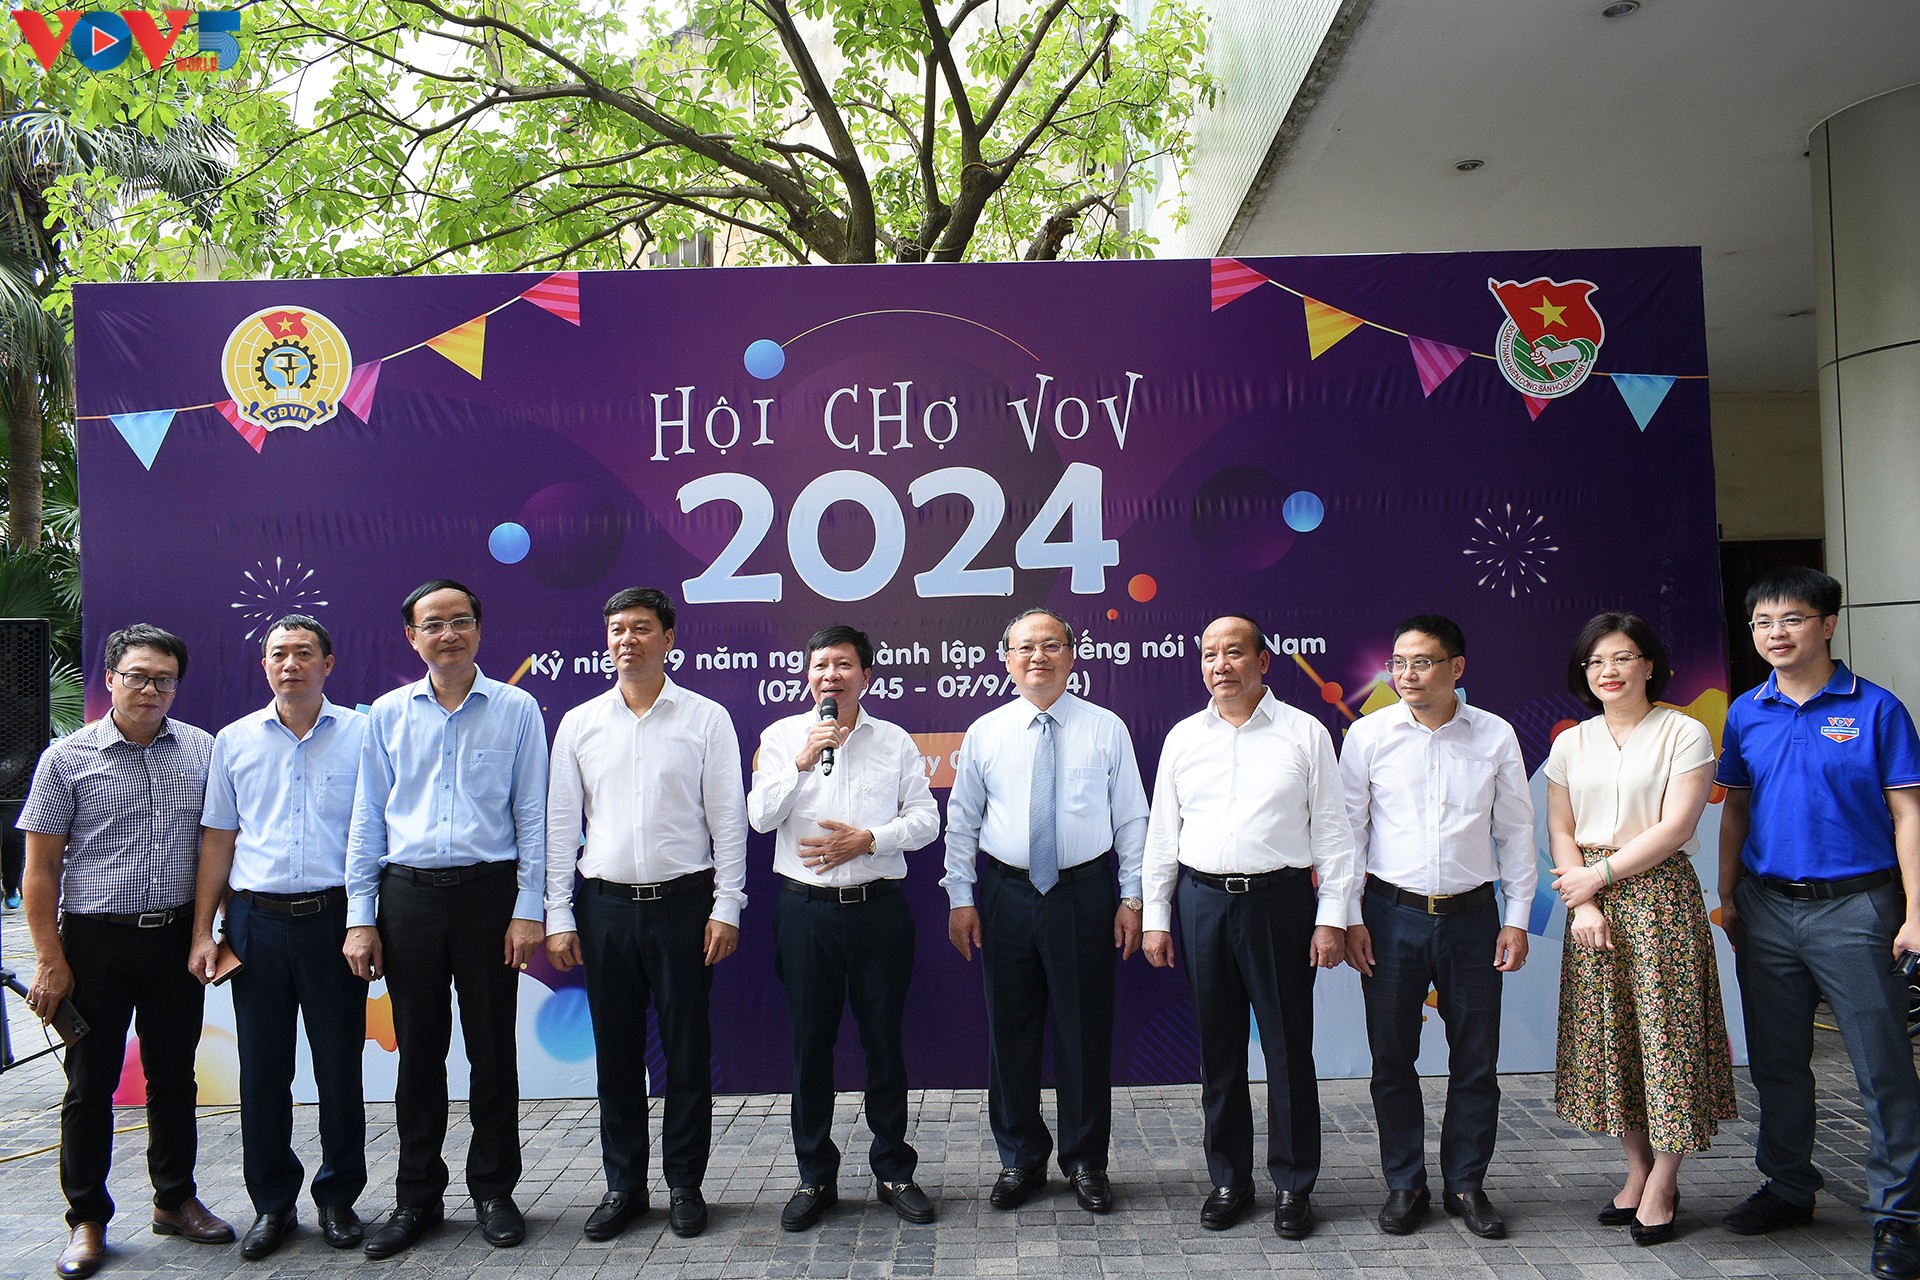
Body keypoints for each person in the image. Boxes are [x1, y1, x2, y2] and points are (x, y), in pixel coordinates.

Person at [1715, 567, 1920, 1280]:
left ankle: (1899, 1216)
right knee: (1776, 1061)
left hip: (1858, 907)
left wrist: (1916, 912)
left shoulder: (1877, 708)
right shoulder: (1747, 712)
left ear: (1827, 624)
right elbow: (1736, 807)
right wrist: (1728, 893)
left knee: (1882, 1067)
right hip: (1767, 907)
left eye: (1793, 619)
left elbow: (1908, 813)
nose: (1776, 633)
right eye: (1763, 622)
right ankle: (1788, 1186)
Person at [16, 624, 234, 1279]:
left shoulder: (203, 751)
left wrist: (209, 931)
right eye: (138, 676)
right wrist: (50, 958)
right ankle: (87, 1217)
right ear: (109, 679)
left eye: (164, 679)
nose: (151, 689)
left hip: (175, 938)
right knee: (90, 1085)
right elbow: (39, 871)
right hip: (94, 945)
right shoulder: (66, 758)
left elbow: (219, 847)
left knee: (174, 1077)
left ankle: (175, 1199)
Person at [343, 579, 548, 1259]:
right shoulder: (387, 714)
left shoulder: (517, 708)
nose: (448, 634)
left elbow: (532, 814)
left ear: (479, 630)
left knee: (492, 1051)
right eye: (433, 624)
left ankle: (494, 1191)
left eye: (460, 621)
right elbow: (368, 818)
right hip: (409, 898)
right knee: (419, 1054)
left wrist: (527, 909)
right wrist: (361, 917)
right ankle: (417, 1198)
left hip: (490, 897)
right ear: (413, 637)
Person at [544, 588, 747, 1241]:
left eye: (640, 628)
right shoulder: (580, 723)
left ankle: (685, 1184)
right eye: (616, 630)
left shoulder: (706, 719)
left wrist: (727, 904)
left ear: (668, 638)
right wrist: (558, 913)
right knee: (616, 1054)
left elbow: (728, 819)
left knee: (687, 1051)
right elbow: (559, 826)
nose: (626, 640)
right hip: (603, 908)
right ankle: (624, 1187)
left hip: (684, 907)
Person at [1142, 615, 1355, 1237]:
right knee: (1219, 1050)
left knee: (1288, 1049)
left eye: (1234, 652)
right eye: (1209, 654)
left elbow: (1333, 833)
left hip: (1279, 904)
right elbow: (1163, 834)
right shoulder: (1184, 737)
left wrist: (1332, 918)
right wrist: (1156, 917)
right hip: (1202, 902)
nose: (1220, 665)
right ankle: (1230, 1180)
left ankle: (1293, 1184)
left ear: (1263, 661)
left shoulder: (1305, 732)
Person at [943, 608, 1149, 1216]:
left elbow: (1132, 818)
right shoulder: (985, 732)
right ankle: (1020, 1158)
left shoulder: (1106, 727)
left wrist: (1132, 897)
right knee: (1010, 1032)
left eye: (1052, 645)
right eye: (1026, 647)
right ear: (1006, 658)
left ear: (1072, 655)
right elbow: (963, 821)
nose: (1039, 657)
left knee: (1084, 1031)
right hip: (1006, 895)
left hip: (1084, 894)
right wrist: (961, 898)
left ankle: (1086, 1161)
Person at [1340, 615, 1535, 1239]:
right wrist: (1349, 917)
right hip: (1389, 916)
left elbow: (1516, 833)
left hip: (1473, 918)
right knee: (1391, 1058)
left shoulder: (1495, 735)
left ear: (1457, 667)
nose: (1407, 674)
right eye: (1398, 663)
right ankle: (1405, 1183)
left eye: (1422, 662)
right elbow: (1348, 834)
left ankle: (1466, 1184)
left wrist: (1518, 918)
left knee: (1475, 1059)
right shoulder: (1368, 736)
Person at [1546, 611, 1733, 1248]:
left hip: (1659, 898)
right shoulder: (1572, 742)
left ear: (1649, 665)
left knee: (1667, 1037)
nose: (1609, 671)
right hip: (1589, 902)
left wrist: (1596, 879)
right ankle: (1636, 1168)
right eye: (1596, 661)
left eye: (1623, 657)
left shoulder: (1684, 731)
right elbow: (1560, 829)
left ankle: (1666, 1181)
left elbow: (1677, 827)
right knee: (1612, 1036)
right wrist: (1584, 904)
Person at [188, 615, 370, 1260]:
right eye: (278, 655)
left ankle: (339, 1197)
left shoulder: (364, 735)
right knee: (264, 1070)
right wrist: (204, 930)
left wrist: (366, 920)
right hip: (255, 923)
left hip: (335, 920)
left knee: (339, 1065)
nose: (290, 665)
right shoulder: (234, 741)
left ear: (328, 663)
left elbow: (376, 830)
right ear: (264, 665)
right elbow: (219, 837)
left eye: (303, 653)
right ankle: (273, 1204)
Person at [747, 624, 940, 1231]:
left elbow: (926, 819)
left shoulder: (895, 741)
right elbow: (759, 818)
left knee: (883, 1042)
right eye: (820, 666)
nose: (830, 676)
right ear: (808, 676)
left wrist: (870, 839)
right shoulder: (782, 737)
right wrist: (802, 764)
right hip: (806, 913)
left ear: (866, 676)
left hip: (878, 910)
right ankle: (814, 1176)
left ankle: (894, 1170)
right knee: (811, 1045)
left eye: (843, 665)